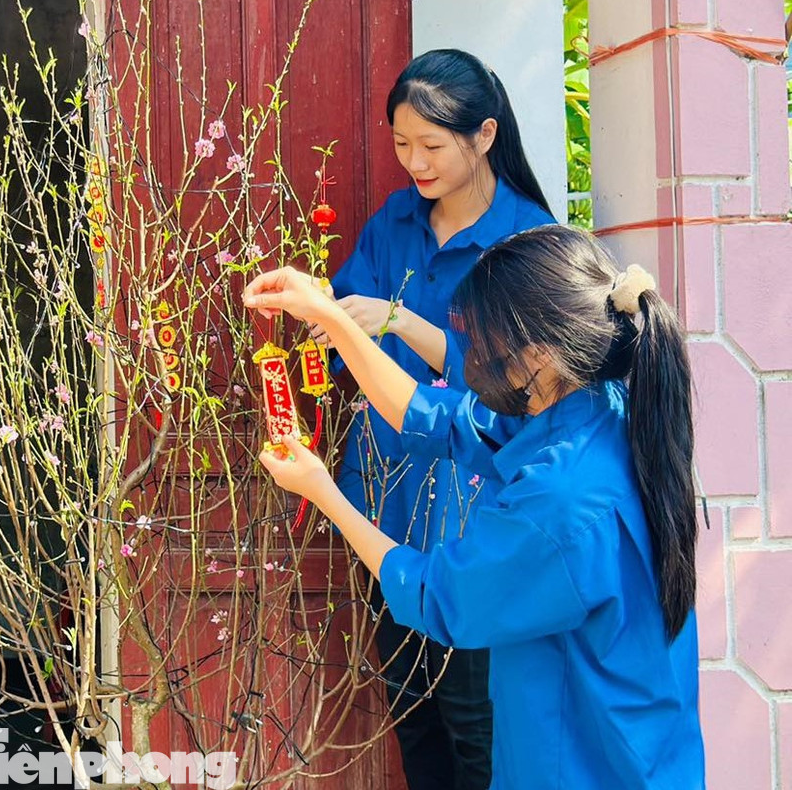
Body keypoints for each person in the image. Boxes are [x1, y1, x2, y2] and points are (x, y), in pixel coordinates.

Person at [244, 225, 705, 789]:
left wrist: (323, 493)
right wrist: (333, 319)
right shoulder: (599, 408)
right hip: (647, 753)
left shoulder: (562, 503)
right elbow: (432, 418)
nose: (474, 358)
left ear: (540, 354)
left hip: (587, 768)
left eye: (486, 344)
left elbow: (437, 594)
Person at [318, 49, 552, 790]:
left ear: (484, 135)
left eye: (431, 145)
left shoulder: (529, 243)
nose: (412, 162)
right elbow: (346, 342)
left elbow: (522, 390)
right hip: (385, 509)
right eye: (400, 143)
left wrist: (402, 323)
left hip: (474, 523)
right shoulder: (395, 222)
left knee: (475, 728)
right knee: (413, 719)